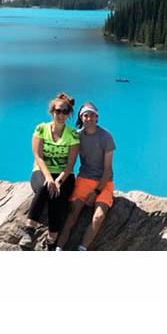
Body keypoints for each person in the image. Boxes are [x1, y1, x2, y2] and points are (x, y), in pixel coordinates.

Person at [18, 93, 79, 250]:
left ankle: (52, 237)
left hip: (64, 175)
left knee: (56, 194)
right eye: (58, 111)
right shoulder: (41, 129)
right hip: (41, 171)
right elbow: (38, 156)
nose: (61, 115)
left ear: (69, 114)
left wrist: (58, 180)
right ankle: (29, 230)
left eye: (65, 112)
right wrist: (49, 178)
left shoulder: (72, 134)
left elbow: (71, 164)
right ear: (52, 111)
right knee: (46, 187)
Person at [57, 101, 115, 251]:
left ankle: (81, 249)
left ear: (97, 117)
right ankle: (58, 248)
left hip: (104, 182)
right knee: (72, 214)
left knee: (98, 217)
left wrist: (95, 192)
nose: (88, 118)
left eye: (92, 115)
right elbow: (67, 158)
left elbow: (107, 170)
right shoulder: (77, 136)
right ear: (81, 118)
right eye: (85, 115)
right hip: (83, 179)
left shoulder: (106, 137)